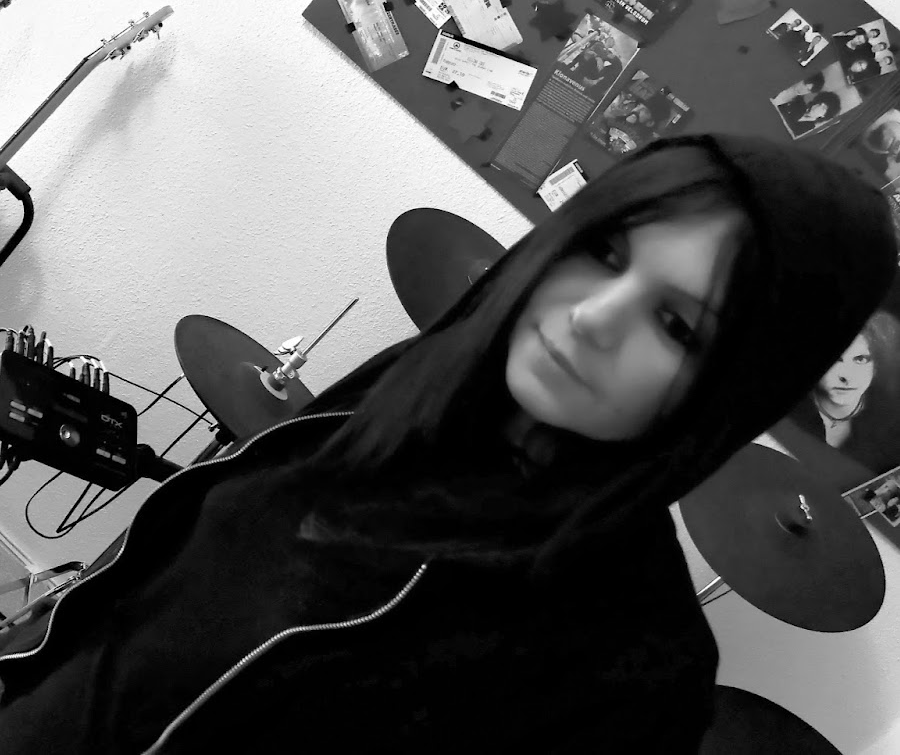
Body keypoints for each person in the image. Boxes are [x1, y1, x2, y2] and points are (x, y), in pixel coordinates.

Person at [0, 135, 895, 754]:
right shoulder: (412, 390)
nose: (591, 318)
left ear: (733, 387)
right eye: (605, 252)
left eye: (676, 324)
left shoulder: (632, 674)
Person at [790, 311, 900, 474]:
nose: (846, 376)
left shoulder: (890, 422)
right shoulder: (790, 412)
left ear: (877, 366)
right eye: (835, 359)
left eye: (860, 359)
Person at [776, 90, 841, 138]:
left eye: (823, 108)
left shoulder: (809, 127)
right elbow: (778, 108)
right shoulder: (799, 102)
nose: (818, 107)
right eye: (819, 103)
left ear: (824, 115)